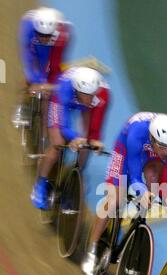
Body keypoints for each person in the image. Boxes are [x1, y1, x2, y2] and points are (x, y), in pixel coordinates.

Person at [81, 111, 167, 275]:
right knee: (115, 198)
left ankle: (137, 224)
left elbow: (165, 180)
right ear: (152, 138)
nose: (166, 152)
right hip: (126, 150)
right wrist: (142, 192)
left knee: (153, 181)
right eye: (162, 147)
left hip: (150, 157)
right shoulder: (138, 132)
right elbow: (134, 173)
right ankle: (92, 249)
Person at [31, 66, 110, 210]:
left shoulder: (102, 95)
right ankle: (39, 185)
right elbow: (62, 124)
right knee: (57, 144)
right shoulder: (64, 89)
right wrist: (75, 137)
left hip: (86, 106)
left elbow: (95, 128)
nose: (90, 98)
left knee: (88, 145)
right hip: (64, 100)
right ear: (77, 91)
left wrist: (93, 141)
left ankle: (75, 176)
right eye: (87, 95)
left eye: (92, 95)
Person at [13, 7, 72, 126]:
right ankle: (23, 105)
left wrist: (47, 84)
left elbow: (56, 64)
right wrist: (34, 80)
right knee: (33, 75)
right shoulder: (29, 28)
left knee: (50, 74)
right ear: (36, 31)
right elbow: (28, 57)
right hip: (31, 33)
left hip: (56, 43)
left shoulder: (61, 36)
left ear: (53, 32)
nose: (44, 38)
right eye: (41, 35)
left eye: (47, 35)